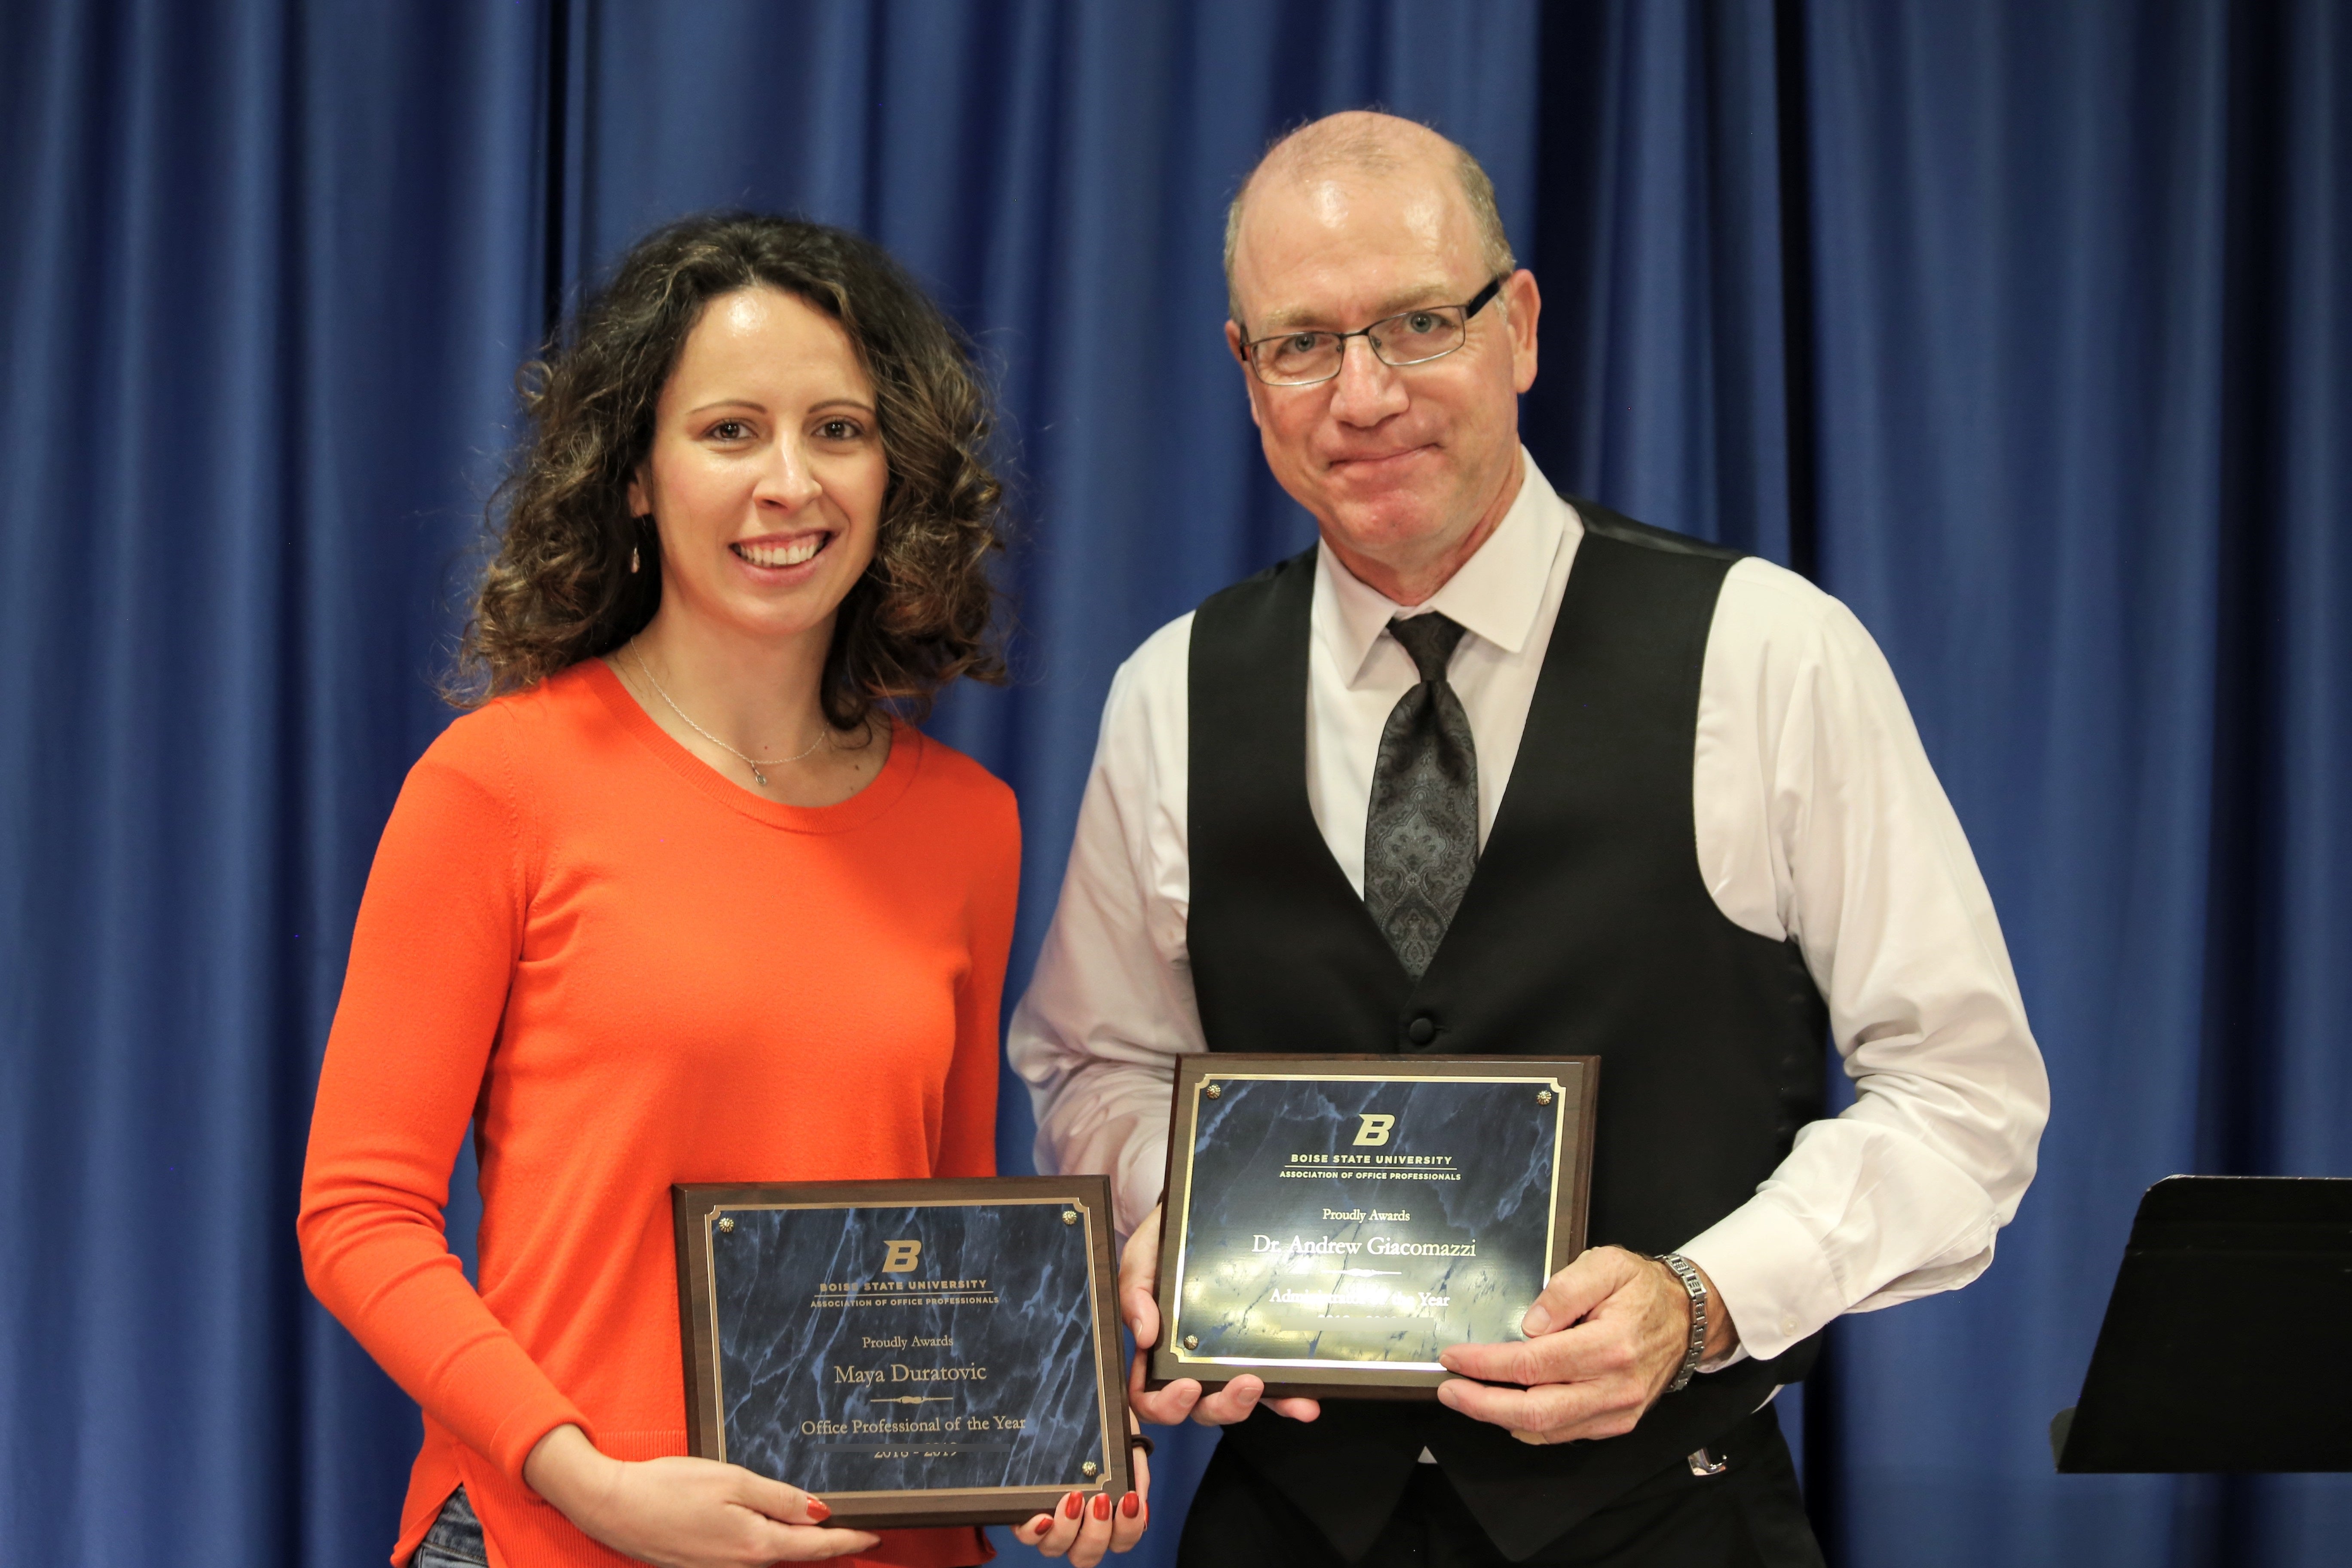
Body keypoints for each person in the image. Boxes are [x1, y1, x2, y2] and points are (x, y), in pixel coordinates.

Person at [1009, 112, 2049, 1567]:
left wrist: (1698, 1302)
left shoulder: (1769, 653)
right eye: (1303, 344)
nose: (1362, 395)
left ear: (1523, 328)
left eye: (1418, 324)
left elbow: (1963, 1096)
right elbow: (1098, 1060)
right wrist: (1183, 1234)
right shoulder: (1168, 693)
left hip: (1673, 1522)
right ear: (1247, 377)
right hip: (1290, 1527)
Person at [300, 213, 1146, 1568]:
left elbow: (953, 1223)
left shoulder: (969, 826)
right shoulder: (499, 785)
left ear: (896, 472)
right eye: (730, 432)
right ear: (633, 474)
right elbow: (357, 1215)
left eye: (839, 430)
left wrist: (1053, 1439)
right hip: (560, 1538)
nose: (790, 483)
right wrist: (586, 1479)